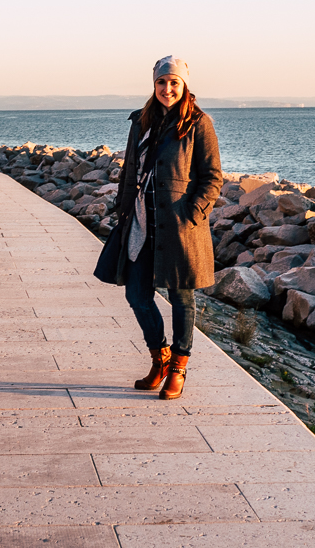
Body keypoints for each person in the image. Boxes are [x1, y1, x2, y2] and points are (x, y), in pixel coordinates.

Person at [112, 56, 223, 400]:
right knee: (136, 294)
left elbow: (212, 177)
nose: (167, 89)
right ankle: (159, 357)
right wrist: (123, 207)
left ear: (184, 85)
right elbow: (131, 169)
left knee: (181, 297)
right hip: (143, 221)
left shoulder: (198, 123)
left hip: (179, 225)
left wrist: (193, 213)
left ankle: (178, 366)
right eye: (162, 82)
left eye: (174, 82)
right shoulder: (140, 121)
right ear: (154, 85)